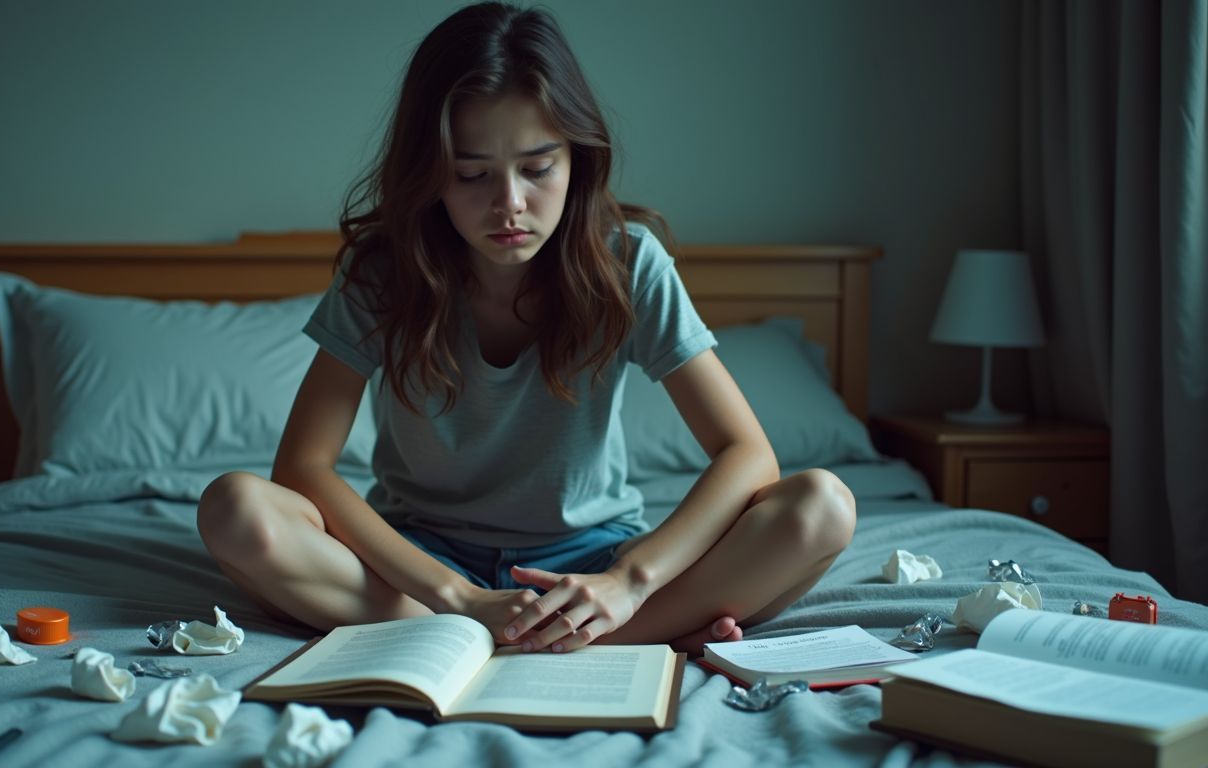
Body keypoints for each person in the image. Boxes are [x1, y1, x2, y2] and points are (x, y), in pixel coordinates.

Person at [197, 2, 855, 657]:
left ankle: (570, 624)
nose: (508, 203)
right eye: (473, 174)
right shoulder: (383, 274)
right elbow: (304, 466)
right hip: (418, 564)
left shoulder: (628, 264)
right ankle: (611, 633)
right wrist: (455, 594)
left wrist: (629, 579)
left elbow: (747, 453)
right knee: (234, 509)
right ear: (431, 176)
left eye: (538, 168)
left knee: (823, 506)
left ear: (578, 161)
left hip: (592, 562)